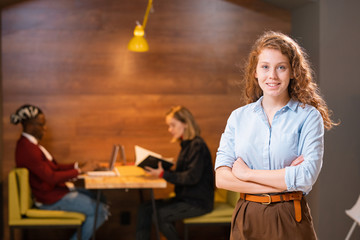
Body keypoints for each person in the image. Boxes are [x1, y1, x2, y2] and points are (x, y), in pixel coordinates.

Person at [215, 31, 338, 240]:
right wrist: (285, 178)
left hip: (290, 216)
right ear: (255, 71)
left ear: (292, 72)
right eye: (265, 67)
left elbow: (306, 176)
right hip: (246, 217)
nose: (272, 76)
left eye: (281, 67)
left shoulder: (308, 117)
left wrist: (247, 174)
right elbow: (222, 178)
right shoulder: (238, 117)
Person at [10, 104, 110, 240]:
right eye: (41, 124)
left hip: (54, 193)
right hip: (49, 199)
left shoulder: (30, 145)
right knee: (101, 210)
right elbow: (51, 177)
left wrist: (79, 166)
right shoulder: (27, 149)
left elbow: (54, 168)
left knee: (100, 197)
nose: (45, 128)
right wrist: (80, 171)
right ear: (29, 126)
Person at [136, 106, 215, 240]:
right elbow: (183, 174)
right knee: (145, 208)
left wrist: (163, 174)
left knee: (160, 215)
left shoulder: (197, 146)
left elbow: (191, 178)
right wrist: (162, 169)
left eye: (173, 125)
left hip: (197, 202)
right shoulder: (186, 145)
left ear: (185, 123)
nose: (170, 130)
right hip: (184, 198)